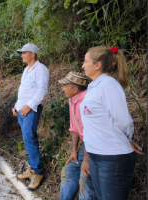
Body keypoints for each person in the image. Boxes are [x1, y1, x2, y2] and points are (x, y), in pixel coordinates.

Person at [80, 46, 143, 200]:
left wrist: (127, 138)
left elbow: (123, 120)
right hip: (97, 154)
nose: (82, 65)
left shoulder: (108, 85)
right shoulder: (94, 86)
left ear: (97, 65)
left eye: (85, 61)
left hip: (112, 157)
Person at [13, 43, 49, 191]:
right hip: (22, 109)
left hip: (31, 110)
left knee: (29, 138)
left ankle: (37, 172)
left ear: (32, 54)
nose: (22, 55)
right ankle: (31, 168)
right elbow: (23, 90)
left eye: (24, 53)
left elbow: (42, 90)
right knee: (27, 139)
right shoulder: (26, 70)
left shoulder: (41, 69)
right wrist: (16, 106)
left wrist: (29, 105)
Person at [58, 71, 96, 200]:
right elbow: (74, 127)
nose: (63, 88)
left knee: (85, 176)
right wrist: (74, 150)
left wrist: (85, 161)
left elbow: (91, 134)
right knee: (68, 171)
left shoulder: (87, 101)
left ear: (75, 89)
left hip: (97, 143)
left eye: (65, 85)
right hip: (87, 142)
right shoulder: (72, 99)